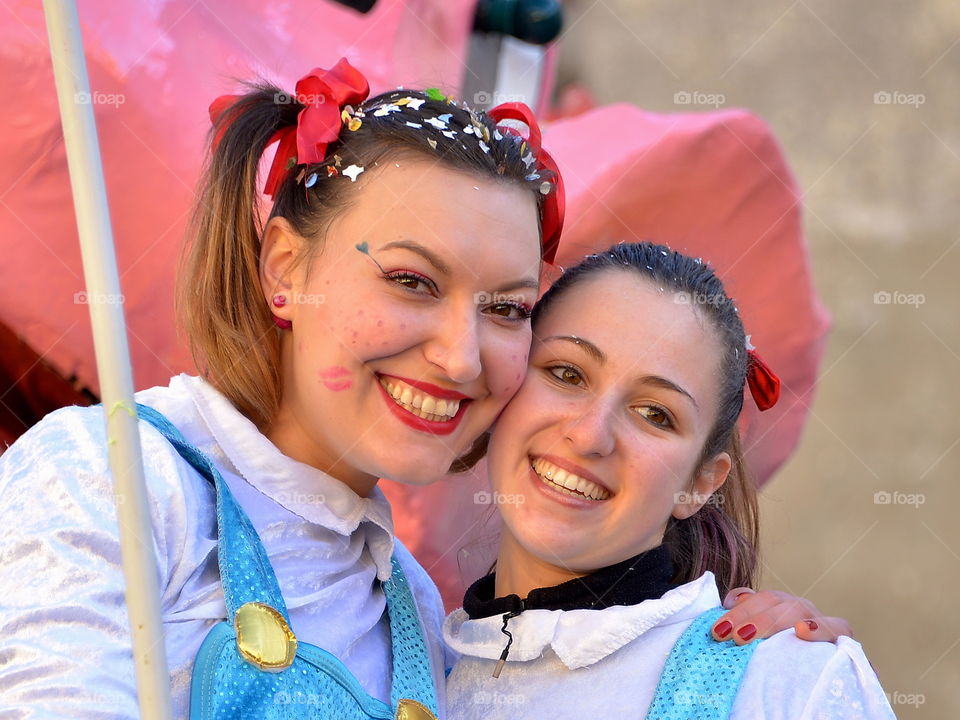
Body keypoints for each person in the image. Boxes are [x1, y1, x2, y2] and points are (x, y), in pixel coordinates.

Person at [0, 59, 848, 719]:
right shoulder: (114, 477)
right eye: (411, 281)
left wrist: (741, 660)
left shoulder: (415, 607)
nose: (459, 356)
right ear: (287, 269)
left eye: (507, 308)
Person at [444, 242, 895, 719]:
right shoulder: (400, 649)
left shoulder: (787, 683)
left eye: (655, 414)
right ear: (508, 378)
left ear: (700, 484)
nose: (590, 434)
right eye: (566, 373)